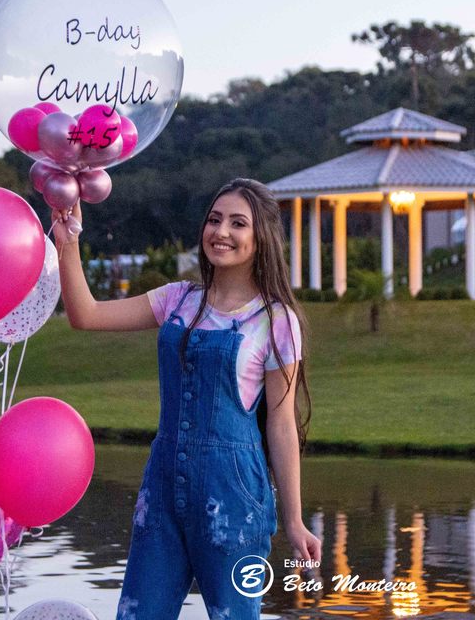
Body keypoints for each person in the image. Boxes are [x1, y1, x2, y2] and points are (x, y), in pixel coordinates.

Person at [53, 177, 322, 619]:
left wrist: (293, 520)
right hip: (161, 493)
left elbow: (281, 423)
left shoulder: (276, 321)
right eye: (215, 219)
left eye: (238, 223)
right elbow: (86, 315)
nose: (222, 232)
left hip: (235, 500)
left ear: (261, 239)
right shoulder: (178, 299)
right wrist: (68, 242)